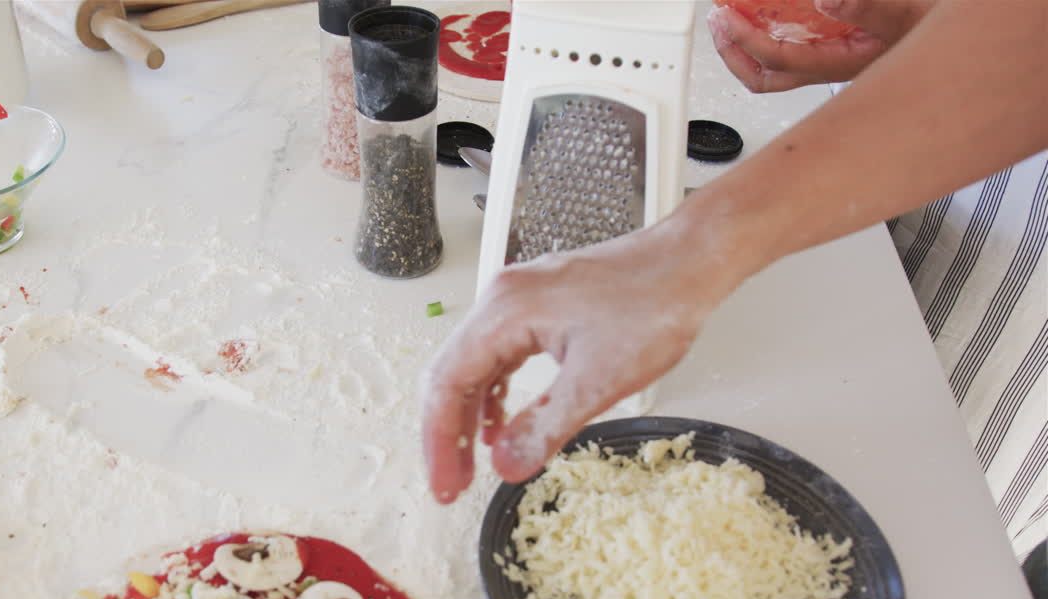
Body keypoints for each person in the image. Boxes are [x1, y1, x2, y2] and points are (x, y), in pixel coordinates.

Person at [420, 0, 1048, 559]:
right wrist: (928, 32)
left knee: (944, 527)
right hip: (900, 168)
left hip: (1014, 292)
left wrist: (681, 254)